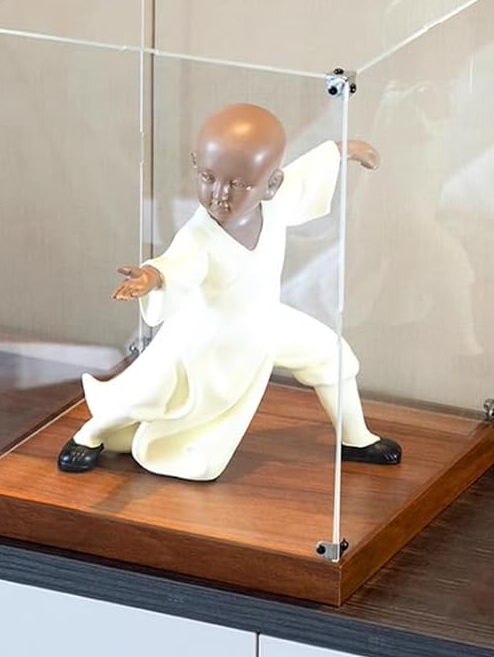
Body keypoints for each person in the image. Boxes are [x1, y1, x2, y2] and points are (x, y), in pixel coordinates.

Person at [57, 102, 399, 481]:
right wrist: (152, 278)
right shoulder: (199, 235)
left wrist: (341, 150)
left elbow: (304, 175)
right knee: (150, 393)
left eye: (237, 184)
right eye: (208, 177)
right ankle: (90, 434)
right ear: (195, 165)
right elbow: (176, 264)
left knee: (331, 354)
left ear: (271, 185)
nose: (219, 194)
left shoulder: (276, 204)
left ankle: (356, 438)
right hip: (210, 338)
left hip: (265, 322)